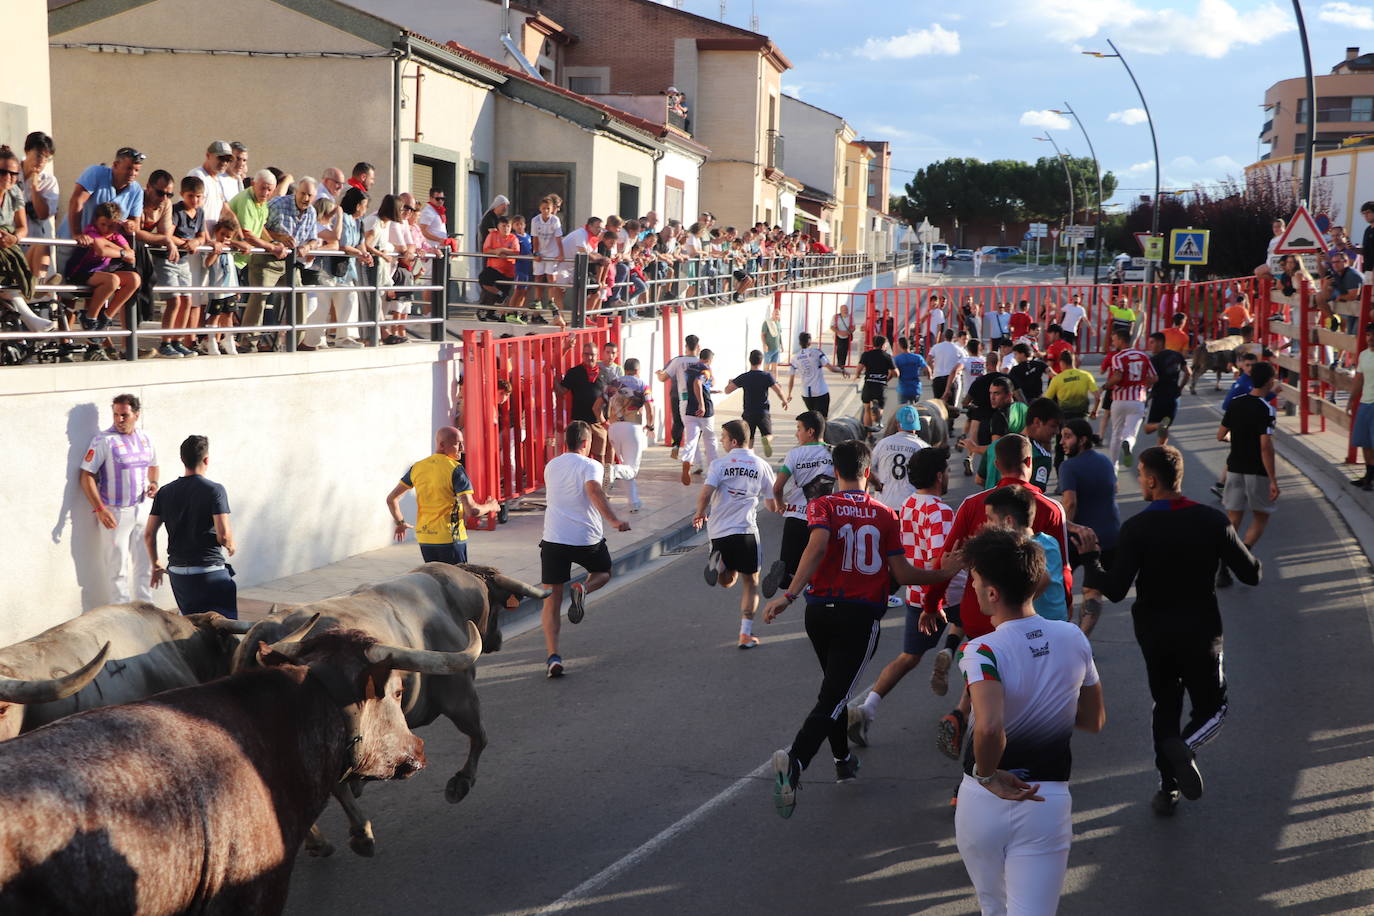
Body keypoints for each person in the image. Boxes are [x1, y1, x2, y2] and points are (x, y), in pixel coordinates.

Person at [762, 440, 956, 818]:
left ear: (835, 471)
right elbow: (901, 574)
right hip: (860, 615)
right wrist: (944, 573)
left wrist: (790, 595)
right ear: (869, 472)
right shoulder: (885, 514)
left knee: (834, 690)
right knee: (834, 695)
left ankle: (842, 761)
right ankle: (797, 760)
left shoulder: (821, 506)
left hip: (819, 612)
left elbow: (816, 547)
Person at [1078, 446, 1259, 814]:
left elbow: (1112, 589)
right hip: (1201, 631)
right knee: (1214, 708)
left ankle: (1167, 788)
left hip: (1154, 633)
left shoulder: (1137, 528)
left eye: (1141, 474)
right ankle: (1187, 746)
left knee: (1165, 704)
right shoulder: (1212, 521)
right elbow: (1251, 574)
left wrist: (1090, 558)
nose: (1141, 480)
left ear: (1152, 479)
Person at [954, 526, 1103, 916]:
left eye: (974, 581)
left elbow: (988, 727)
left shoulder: (980, 649)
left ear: (992, 593)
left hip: (982, 798)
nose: (971, 589)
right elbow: (1092, 719)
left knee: (992, 906)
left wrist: (988, 776)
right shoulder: (1073, 637)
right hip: (1046, 798)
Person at [924, 435, 1074, 762]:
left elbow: (945, 559)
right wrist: (1068, 612)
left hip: (981, 614)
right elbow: (1062, 569)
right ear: (1031, 464)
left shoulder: (972, 505)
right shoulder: (1050, 509)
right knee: (1012, 703)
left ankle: (964, 722)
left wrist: (931, 603)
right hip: (1030, 618)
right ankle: (979, 766)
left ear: (995, 464)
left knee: (987, 683)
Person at [849, 448, 966, 747]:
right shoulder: (940, 511)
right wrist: (935, 602)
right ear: (939, 475)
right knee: (984, 643)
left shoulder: (909, 505)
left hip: (916, 594)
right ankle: (969, 708)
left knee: (908, 657)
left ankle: (868, 708)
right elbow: (941, 560)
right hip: (944, 595)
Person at [539, 421, 632, 678]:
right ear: (585, 443)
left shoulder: (551, 465)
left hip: (554, 539)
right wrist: (613, 520)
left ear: (565, 442)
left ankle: (552, 656)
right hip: (585, 538)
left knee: (551, 600)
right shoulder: (591, 465)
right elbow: (593, 490)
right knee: (603, 572)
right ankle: (583, 588)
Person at [695, 419, 779, 648]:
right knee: (750, 583)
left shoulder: (719, 465)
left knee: (727, 581)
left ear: (733, 441)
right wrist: (783, 507)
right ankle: (745, 634)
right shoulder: (762, 465)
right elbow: (772, 506)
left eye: (723, 437)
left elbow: (704, 495)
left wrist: (700, 513)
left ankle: (720, 563)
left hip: (719, 532)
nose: (721, 441)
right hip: (746, 532)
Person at [79, 394, 160, 605]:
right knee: (118, 570)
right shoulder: (103, 440)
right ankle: (122, 617)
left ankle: (147, 610)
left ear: (136, 415)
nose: (119, 419)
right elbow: (85, 476)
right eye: (116, 414)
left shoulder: (146, 438)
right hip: (114, 513)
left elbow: (153, 464)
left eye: (124, 415)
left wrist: (154, 483)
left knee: (145, 565)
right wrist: (100, 509)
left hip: (142, 509)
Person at [144, 435, 237, 618]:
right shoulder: (215, 490)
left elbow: (148, 534)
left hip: (178, 574)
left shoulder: (164, 492)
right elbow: (224, 535)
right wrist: (231, 545)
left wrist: (155, 565)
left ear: (182, 459)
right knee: (226, 629)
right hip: (209, 572)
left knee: (190, 624)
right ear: (206, 459)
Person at [386, 426, 499, 565]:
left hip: (425, 538)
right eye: (457, 443)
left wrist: (400, 523)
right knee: (457, 583)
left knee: (437, 581)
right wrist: (491, 506)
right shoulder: (455, 469)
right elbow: (472, 510)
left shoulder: (417, 467)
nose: (462, 448)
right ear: (441, 445)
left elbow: (391, 499)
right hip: (450, 539)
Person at [1216, 361, 1280, 587]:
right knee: (1261, 516)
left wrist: (1239, 438)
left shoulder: (1235, 403)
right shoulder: (1267, 409)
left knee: (1233, 519)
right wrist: (1273, 479)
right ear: (1270, 381)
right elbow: (1265, 446)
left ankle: (1223, 565)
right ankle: (1243, 558)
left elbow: (1221, 434)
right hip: (1256, 471)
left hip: (1234, 468)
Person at [1057, 418, 1119, 638]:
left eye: (1067, 436)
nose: (1062, 442)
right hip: (1110, 536)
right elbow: (1115, 488)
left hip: (1079, 537)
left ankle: (1062, 639)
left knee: (1058, 586)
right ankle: (1082, 640)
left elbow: (1070, 503)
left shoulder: (1068, 466)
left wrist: (1063, 530)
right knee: (1093, 590)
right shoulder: (1105, 461)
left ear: (1082, 440)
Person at [763, 411, 834, 598]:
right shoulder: (833, 452)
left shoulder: (794, 454)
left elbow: (777, 487)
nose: (796, 434)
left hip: (796, 517)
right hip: (823, 520)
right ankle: (817, 589)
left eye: (798, 429)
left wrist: (780, 504)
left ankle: (785, 573)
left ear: (810, 431)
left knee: (789, 568)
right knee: (819, 563)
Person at [984, 485, 1067, 621]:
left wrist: (1014, 606)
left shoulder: (1019, 551)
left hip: (1037, 629)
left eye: (990, 519)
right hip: (1059, 623)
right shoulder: (1050, 541)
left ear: (1008, 521)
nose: (987, 524)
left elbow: (1044, 578)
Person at [1102, 327, 1157, 472]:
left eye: (1114, 340)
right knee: (1131, 432)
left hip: (1119, 399)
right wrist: (1146, 387)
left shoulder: (1118, 357)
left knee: (1116, 433)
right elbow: (1154, 377)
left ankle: (1114, 468)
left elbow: (1118, 376)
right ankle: (1128, 443)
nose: (1113, 343)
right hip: (1138, 399)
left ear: (1121, 340)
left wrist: (1106, 385)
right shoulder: (1144, 356)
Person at [63, 146, 144, 240]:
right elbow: (77, 201)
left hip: (103, 249)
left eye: (137, 170)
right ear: (115, 165)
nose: (133, 173)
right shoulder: (96, 173)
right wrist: (77, 234)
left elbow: (135, 224)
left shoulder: (136, 190)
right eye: (129, 168)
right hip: (73, 241)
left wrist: (130, 225)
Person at [606, 358, 654, 512]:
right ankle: (613, 470)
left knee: (627, 465)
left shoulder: (613, 383)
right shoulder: (642, 385)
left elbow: (599, 405)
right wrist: (651, 425)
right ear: (638, 371)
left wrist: (604, 422)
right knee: (631, 469)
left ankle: (633, 503)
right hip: (632, 428)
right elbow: (650, 407)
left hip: (613, 428)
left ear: (624, 369)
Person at [726, 349, 789, 457]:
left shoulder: (744, 376)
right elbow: (778, 390)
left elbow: (727, 390)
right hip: (763, 412)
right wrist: (784, 401)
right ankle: (767, 440)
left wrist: (730, 383)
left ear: (750, 361)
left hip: (748, 412)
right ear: (761, 361)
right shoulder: (766, 376)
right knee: (768, 434)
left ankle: (749, 458)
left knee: (749, 439)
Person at [870, 404, 930, 511]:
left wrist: (877, 485)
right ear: (916, 424)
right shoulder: (923, 447)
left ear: (897, 423)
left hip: (884, 505)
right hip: (911, 506)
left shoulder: (883, 444)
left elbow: (868, 469)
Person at [1144, 331, 1191, 446]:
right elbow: (1188, 372)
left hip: (1159, 396)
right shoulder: (1177, 355)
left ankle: (1158, 426)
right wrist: (1180, 388)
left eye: (1152, 342)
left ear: (1160, 342)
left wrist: (1145, 395)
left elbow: (1151, 380)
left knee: (1148, 428)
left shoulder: (1154, 360)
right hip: (1174, 397)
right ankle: (1161, 450)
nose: (1150, 345)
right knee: (1165, 427)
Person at [681, 349, 720, 486]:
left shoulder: (690, 369)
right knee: (710, 440)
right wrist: (702, 405)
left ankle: (687, 460)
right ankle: (714, 470)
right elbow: (697, 383)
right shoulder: (705, 370)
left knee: (691, 440)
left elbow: (698, 386)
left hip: (689, 409)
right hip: (704, 410)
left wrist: (710, 390)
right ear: (709, 360)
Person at [787, 331, 848, 417]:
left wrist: (789, 394)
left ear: (799, 343)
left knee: (814, 419)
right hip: (820, 391)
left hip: (806, 394)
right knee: (822, 419)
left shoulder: (795, 358)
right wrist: (842, 371)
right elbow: (831, 368)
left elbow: (791, 379)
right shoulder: (817, 353)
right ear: (810, 342)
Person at [1349, 323, 1374, 490]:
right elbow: (1359, 379)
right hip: (1365, 402)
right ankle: (1368, 475)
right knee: (1364, 441)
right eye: (1368, 335)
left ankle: (1370, 479)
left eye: (1373, 335)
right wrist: (1352, 399)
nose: (1370, 338)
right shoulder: (1364, 355)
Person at [858, 335, 897, 427]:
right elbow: (896, 373)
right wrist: (888, 378)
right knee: (881, 405)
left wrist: (857, 375)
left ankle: (869, 433)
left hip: (869, 384)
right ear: (884, 345)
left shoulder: (866, 354)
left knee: (867, 408)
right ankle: (878, 419)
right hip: (881, 385)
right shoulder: (887, 356)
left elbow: (859, 368)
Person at [928, 328, 966, 402]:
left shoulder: (936, 347)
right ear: (954, 337)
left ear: (944, 336)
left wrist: (933, 369)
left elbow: (928, 360)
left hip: (938, 378)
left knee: (938, 404)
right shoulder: (959, 349)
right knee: (952, 405)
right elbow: (963, 364)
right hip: (952, 379)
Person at [893, 336, 929, 405]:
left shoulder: (897, 359)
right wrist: (930, 376)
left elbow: (893, 372)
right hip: (915, 388)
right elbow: (927, 368)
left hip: (903, 388)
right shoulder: (917, 357)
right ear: (909, 345)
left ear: (900, 346)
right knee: (915, 409)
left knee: (902, 409)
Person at [761, 306, 784, 375]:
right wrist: (764, 344)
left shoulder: (778, 323)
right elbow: (762, 335)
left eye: (778, 314)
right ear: (772, 314)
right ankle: (764, 383)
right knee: (766, 367)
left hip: (776, 348)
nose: (777, 315)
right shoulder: (767, 323)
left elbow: (779, 335)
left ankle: (775, 382)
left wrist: (781, 345)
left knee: (775, 367)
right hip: (768, 349)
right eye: (775, 314)